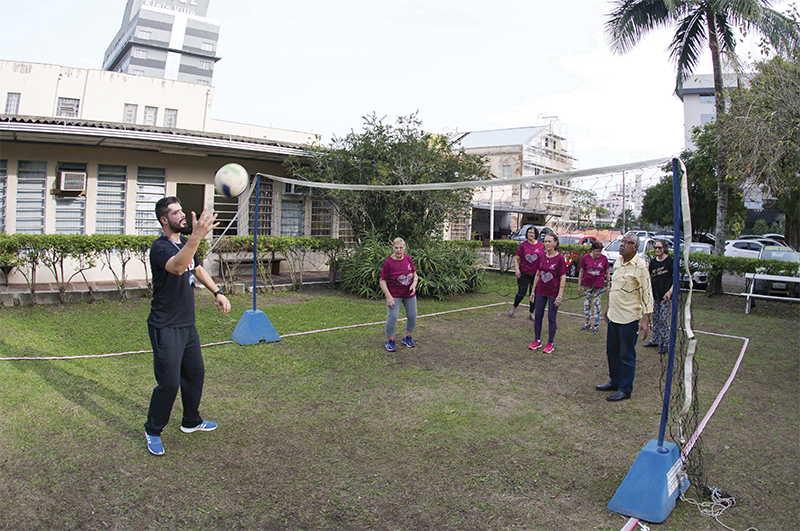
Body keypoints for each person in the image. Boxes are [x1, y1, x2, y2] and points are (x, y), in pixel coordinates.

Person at [144, 197, 231, 456]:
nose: (182, 215)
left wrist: (218, 292)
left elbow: (197, 268)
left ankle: (191, 421)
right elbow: (179, 267)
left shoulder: (184, 242)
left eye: (182, 210)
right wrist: (197, 235)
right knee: (169, 383)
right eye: (176, 212)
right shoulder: (160, 248)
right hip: (165, 325)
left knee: (195, 375)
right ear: (164, 219)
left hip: (186, 324)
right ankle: (153, 429)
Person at [596, 232, 653, 402]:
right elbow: (615, 288)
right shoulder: (619, 262)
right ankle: (616, 381)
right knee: (612, 351)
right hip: (614, 316)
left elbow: (647, 294)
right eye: (622, 241)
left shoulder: (640, 266)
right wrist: (608, 308)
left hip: (629, 319)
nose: (622, 245)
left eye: (626, 243)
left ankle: (625, 389)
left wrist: (645, 319)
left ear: (635, 247)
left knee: (626, 354)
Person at [528, 233, 566, 354]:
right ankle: (537, 340)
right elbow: (538, 274)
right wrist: (533, 291)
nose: (547, 244)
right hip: (541, 291)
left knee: (551, 318)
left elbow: (563, 277)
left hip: (553, 292)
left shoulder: (559, 258)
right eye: (545, 241)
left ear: (555, 243)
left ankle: (550, 343)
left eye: (550, 241)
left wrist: (560, 295)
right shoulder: (541, 256)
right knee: (538, 315)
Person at [380, 237, 419, 352]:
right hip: (394, 294)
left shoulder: (408, 259)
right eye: (396, 248)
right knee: (393, 317)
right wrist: (389, 297)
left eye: (401, 248)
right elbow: (382, 281)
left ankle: (407, 337)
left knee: (412, 316)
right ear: (392, 248)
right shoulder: (388, 262)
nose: (398, 250)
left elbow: (415, 274)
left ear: (404, 248)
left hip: (409, 293)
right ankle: (390, 341)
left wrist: (414, 285)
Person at [644, 239, 673, 355]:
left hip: (666, 295)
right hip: (655, 295)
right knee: (655, 317)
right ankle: (655, 339)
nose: (657, 250)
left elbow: (675, 279)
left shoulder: (669, 262)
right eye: (655, 247)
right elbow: (650, 277)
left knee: (663, 319)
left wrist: (670, 292)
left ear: (664, 248)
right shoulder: (653, 263)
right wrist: (649, 292)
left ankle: (664, 342)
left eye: (659, 248)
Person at [509, 225, 544, 320]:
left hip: (536, 275)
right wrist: (517, 270)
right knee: (521, 292)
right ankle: (514, 307)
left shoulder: (540, 245)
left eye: (532, 232)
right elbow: (516, 259)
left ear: (536, 234)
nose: (530, 234)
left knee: (534, 293)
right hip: (524, 273)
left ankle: (531, 313)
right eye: (529, 232)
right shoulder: (523, 245)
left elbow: (543, 259)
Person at [577, 240, 610, 334]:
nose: (598, 253)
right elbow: (581, 271)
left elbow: (607, 272)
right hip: (588, 285)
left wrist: (608, 286)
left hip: (598, 286)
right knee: (587, 303)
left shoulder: (604, 259)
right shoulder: (586, 258)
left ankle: (596, 325)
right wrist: (579, 285)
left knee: (597, 305)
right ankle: (587, 322)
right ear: (593, 250)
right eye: (597, 251)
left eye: (600, 251)